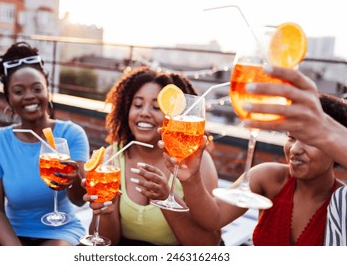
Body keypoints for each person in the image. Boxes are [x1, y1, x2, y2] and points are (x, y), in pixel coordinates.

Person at [161, 66, 347, 245]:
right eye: (291, 137)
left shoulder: (342, 203)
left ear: (335, 147)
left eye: (311, 140)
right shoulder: (268, 177)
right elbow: (213, 218)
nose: (295, 149)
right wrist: (191, 179)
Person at [83, 66, 221, 245]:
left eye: (156, 107)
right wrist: (105, 211)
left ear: (177, 116)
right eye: (138, 105)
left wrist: (164, 197)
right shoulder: (111, 157)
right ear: (126, 110)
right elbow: (108, 243)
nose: (144, 112)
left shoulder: (197, 163)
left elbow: (209, 245)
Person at [0, 42, 89, 246]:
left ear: (47, 90)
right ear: (9, 98)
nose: (29, 95)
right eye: (19, 91)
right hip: (11, 230)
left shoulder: (72, 134)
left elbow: (79, 199)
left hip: (61, 231)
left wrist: (72, 180)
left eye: (37, 88)